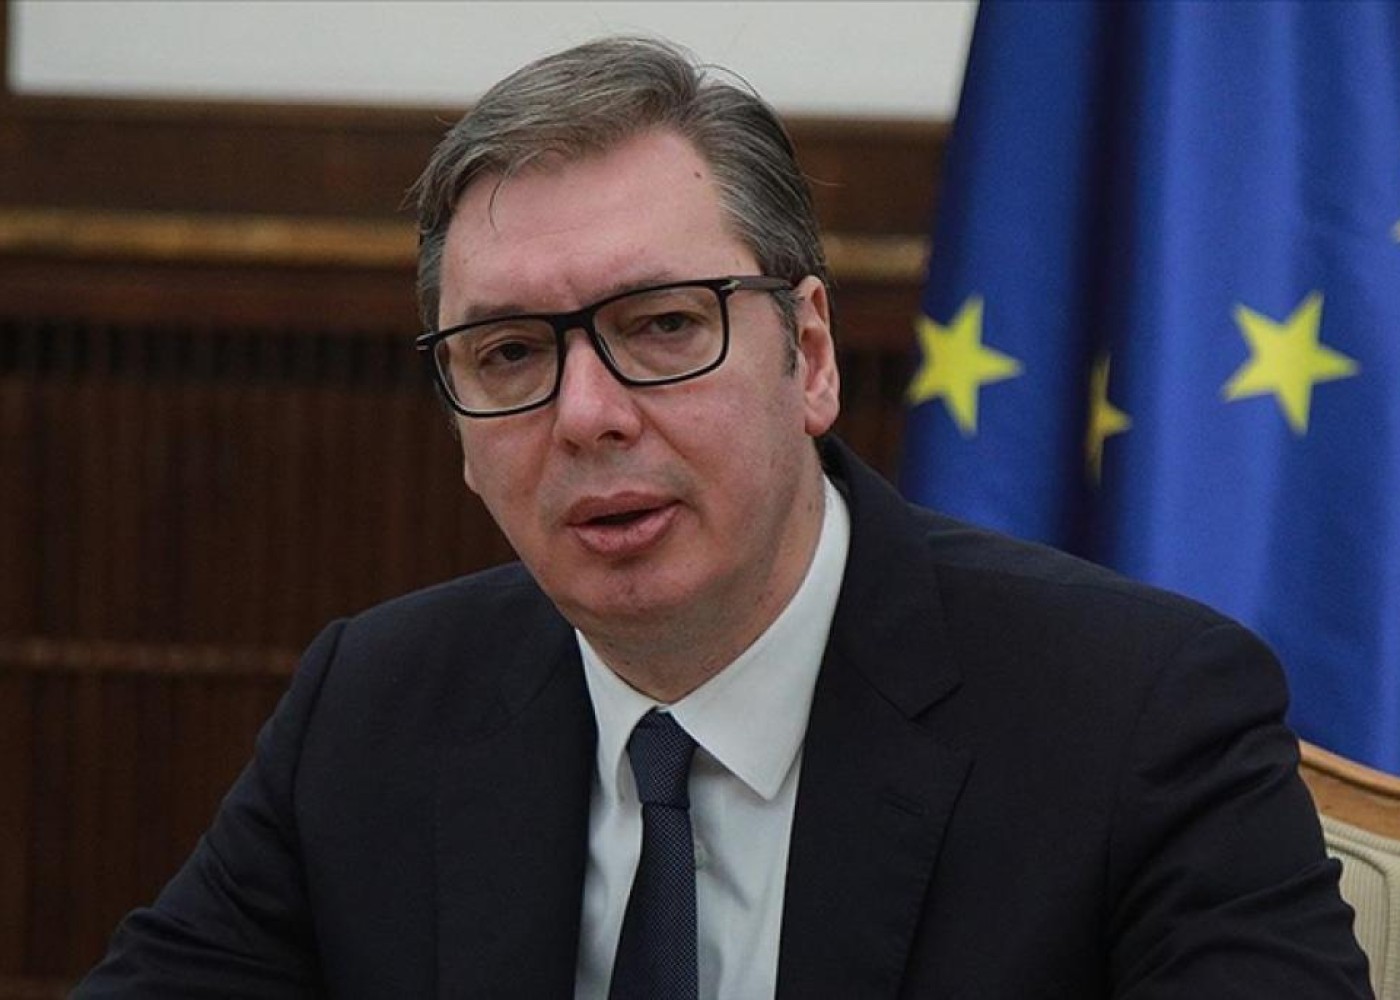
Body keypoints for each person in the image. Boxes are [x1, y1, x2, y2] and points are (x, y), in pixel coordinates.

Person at [76, 35, 1372, 999]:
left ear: (809, 357)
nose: (586, 415)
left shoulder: (1136, 717)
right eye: (511, 353)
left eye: (661, 326)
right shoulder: (374, 708)